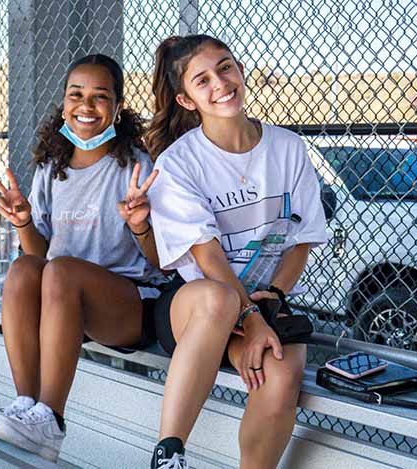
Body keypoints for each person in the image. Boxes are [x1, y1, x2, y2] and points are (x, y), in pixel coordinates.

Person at [0, 54, 234, 463]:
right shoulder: (51, 168)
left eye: (100, 96)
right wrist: (23, 222)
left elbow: (164, 264)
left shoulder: (135, 166)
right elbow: (39, 255)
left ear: (118, 107)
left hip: (127, 306)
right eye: (76, 94)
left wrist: (141, 223)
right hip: (64, 302)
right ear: (63, 103)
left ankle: (51, 420)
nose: (86, 106)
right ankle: (27, 404)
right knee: (24, 269)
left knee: (60, 273)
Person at [145, 35, 328, 469]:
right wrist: (248, 318)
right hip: (197, 309)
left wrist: (273, 300)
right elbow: (208, 261)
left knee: (281, 376)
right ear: (186, 100)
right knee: (220, 298)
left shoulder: (287, 148)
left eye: (225, 68)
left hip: (263, 303)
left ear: (241, 70)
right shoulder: (177, 164)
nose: (221, 84)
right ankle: (168, 454)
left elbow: (300, 240)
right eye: (202, 80)